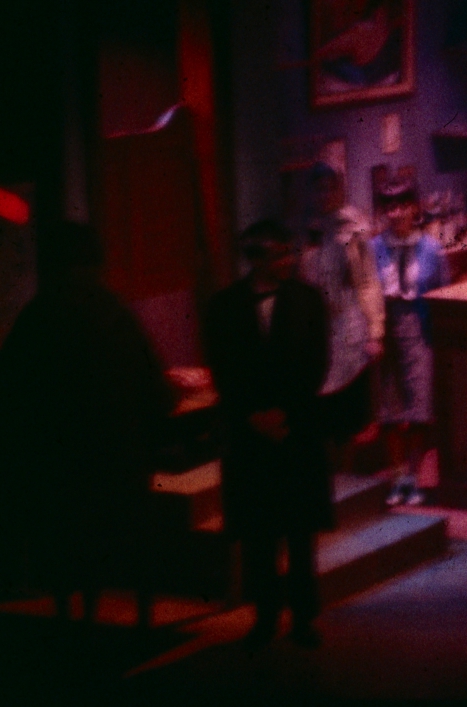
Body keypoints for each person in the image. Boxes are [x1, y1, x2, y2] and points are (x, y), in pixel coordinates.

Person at [0, 221, 174, 626]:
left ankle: (70, 619)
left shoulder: (38, 317)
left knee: (67, 552)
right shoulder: (115, 314)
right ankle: (137, 618)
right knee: (126, 545)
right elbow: (155, 389)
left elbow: (12, 391)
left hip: (60, 460)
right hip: (117, 456)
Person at [203, 221, 333, 650]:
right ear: (256, 258)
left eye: (289, 252)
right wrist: (252, 416)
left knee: (299, 535)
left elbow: (317, 362)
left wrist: (284, 412)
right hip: (250, 437)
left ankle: (303, 618)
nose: (288, 261)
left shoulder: (308, 300)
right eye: (278, 254)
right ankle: (264, 616)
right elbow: (222, 366)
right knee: (258, 535)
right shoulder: (224, 306)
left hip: (296, 431)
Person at [370, 183, 450, 506]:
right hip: (386, 327)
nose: (397, 213)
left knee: (419, 406)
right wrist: (374, 333)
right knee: (390, 409)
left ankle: (414, 478)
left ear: (414, 208)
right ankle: (397, 477)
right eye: (390, 207)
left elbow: (442, 290)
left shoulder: (431, 247)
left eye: (403, 205)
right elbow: (365, 292)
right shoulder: (373, 248)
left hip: (420, 328)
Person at [300, 163, 385, 449]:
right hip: (320, 329)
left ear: (339, 189)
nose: (325, 195)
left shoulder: (353, 227)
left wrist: (375, 331)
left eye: (330, 188)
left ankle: (352, 468)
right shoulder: (307, 229)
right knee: (324, 407)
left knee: (352, 409)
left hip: (351, 326)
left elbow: (368, 281)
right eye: (319, 189)